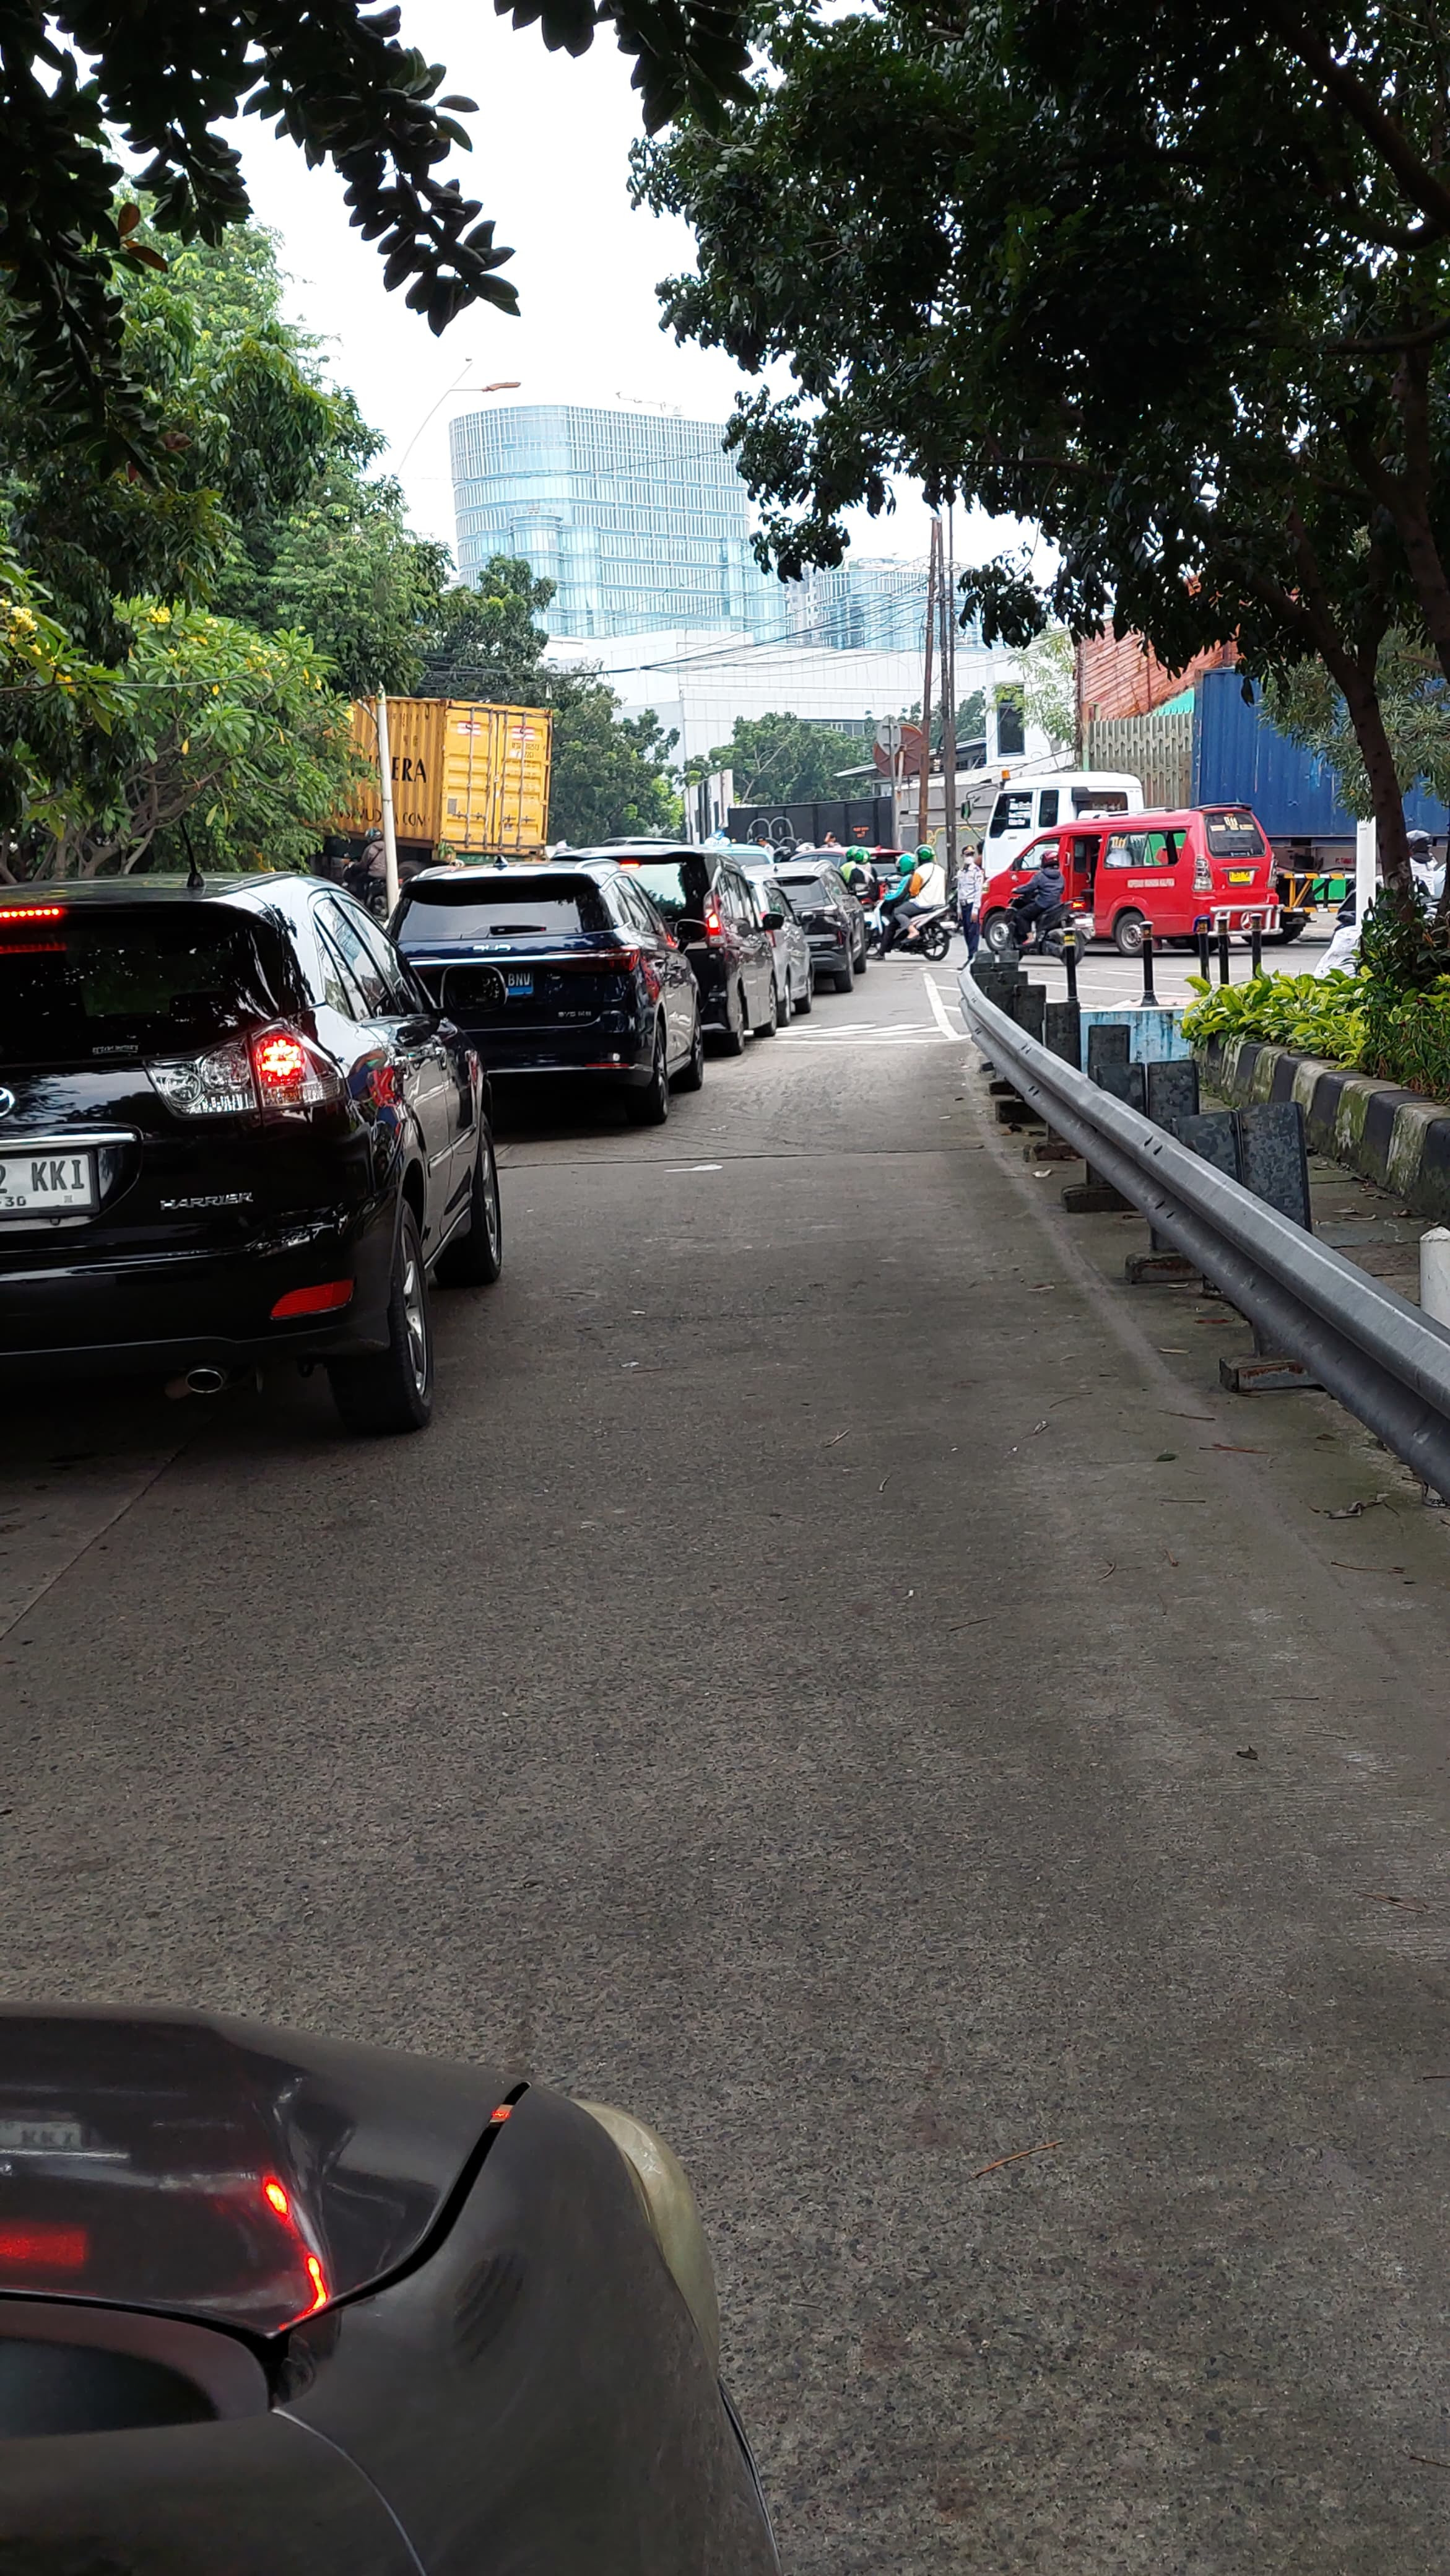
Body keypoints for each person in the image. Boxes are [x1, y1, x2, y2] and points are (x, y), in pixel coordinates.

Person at [1006, 846, 1066, 950]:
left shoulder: (1040, 876)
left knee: (1021, 916)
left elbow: (1029, 887)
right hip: (1056, 905)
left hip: (1042, 904)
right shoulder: (1061, 876)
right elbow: (1061, 890)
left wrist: (1016, 889)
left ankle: (1030, 937)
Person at [879, 846, 924, 953]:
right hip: (916, 902)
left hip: (907, 904)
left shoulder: (907, 878)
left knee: (891, 924)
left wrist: (887, 897)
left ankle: (882, 952)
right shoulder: (915, 876)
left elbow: (899, 894)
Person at [957, 847, 986, 960]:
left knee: (973, 933)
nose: (969, 857)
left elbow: (978, 892)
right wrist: (959, 909)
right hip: (963, 905)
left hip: (971, 905)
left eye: (971, 855)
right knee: (967, 934)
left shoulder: (977, 872)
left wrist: (975, 910)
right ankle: (970, 957)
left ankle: (973, 958)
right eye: (967, 855)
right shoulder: (961, 872)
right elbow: (960, 891)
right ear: (963, 856)